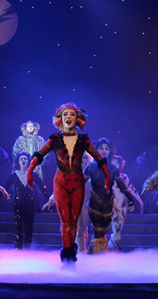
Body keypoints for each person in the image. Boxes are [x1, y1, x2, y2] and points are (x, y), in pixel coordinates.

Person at [27, 102, 109, 265]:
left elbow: (99, 158)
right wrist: (29, 171)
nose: (68, 117)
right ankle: (67, 256)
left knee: (74, 222)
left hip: (78, 183)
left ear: (77, 119)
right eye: (65, 114)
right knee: (65, 222)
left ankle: (71, 252)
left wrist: (107, 175)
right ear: (60, 119)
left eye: (72, 114)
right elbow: (39, 155)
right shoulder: (55, 139)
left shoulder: (83, 140)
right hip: (61, 183)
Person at [85, 139, 135, 254]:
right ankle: (96, 254)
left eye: (106, 149)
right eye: (101, 148)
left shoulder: (113, 168)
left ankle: (98, 253)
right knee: (98, 230)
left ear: (110, 151)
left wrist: (131, 198)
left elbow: (121, 185)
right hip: (95, 202)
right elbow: (81, 183)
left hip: (108, 203)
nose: (104, 151)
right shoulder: (91, 167)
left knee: (103, 230)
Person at [0, 152, 51, 249]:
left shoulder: (33, 174)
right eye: (21, 159)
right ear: (18, 161)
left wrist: (50, 198)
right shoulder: (14, 175)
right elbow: (5, 187)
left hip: (30, 204)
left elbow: (42, 187)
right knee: (18, 227)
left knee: (29, 227)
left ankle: (27, 250)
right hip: (18, 204)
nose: (23, 160)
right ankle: (18, 250)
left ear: (28, 161)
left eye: (25, 159)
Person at [108, 155, 143, 251]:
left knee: (119, 227)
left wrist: (140, 202)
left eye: (117, 162)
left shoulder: (124, 177)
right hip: (112, 204)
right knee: (115, 227)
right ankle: (116, 244)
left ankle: (112, 244)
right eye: (113, 162)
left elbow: (131, 189)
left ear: (120, 164)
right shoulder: (106, 176)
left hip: (123, 204)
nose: (115, 164)